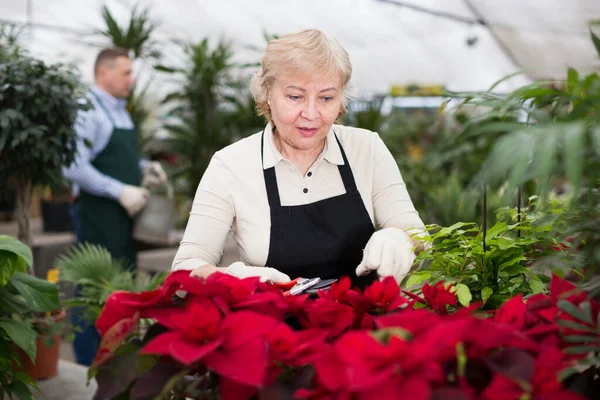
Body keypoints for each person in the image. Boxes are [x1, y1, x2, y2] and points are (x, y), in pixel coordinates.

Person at [171, 29, 426, 287]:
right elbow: (184, 269)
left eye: (326, 98)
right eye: (295, 96)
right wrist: (229, 277)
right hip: (271, 324)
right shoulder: (230, 166)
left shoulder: (366, 149)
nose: (312, 113)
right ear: (268, 93)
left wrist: (400, 238)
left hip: (364, 321)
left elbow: (418, 237)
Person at [63, 47, 167, 365]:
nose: (131, 80)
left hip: (124, 218)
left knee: (119, 286)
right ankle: (85, 363)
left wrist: (143, 168)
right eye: (125, 73)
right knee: (92, 286)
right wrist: (120, 191)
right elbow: (73, 167)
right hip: (97, 215)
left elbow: (115, 158)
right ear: (103, 73)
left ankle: (113, 361)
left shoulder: (120, 111)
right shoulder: (87, 109)